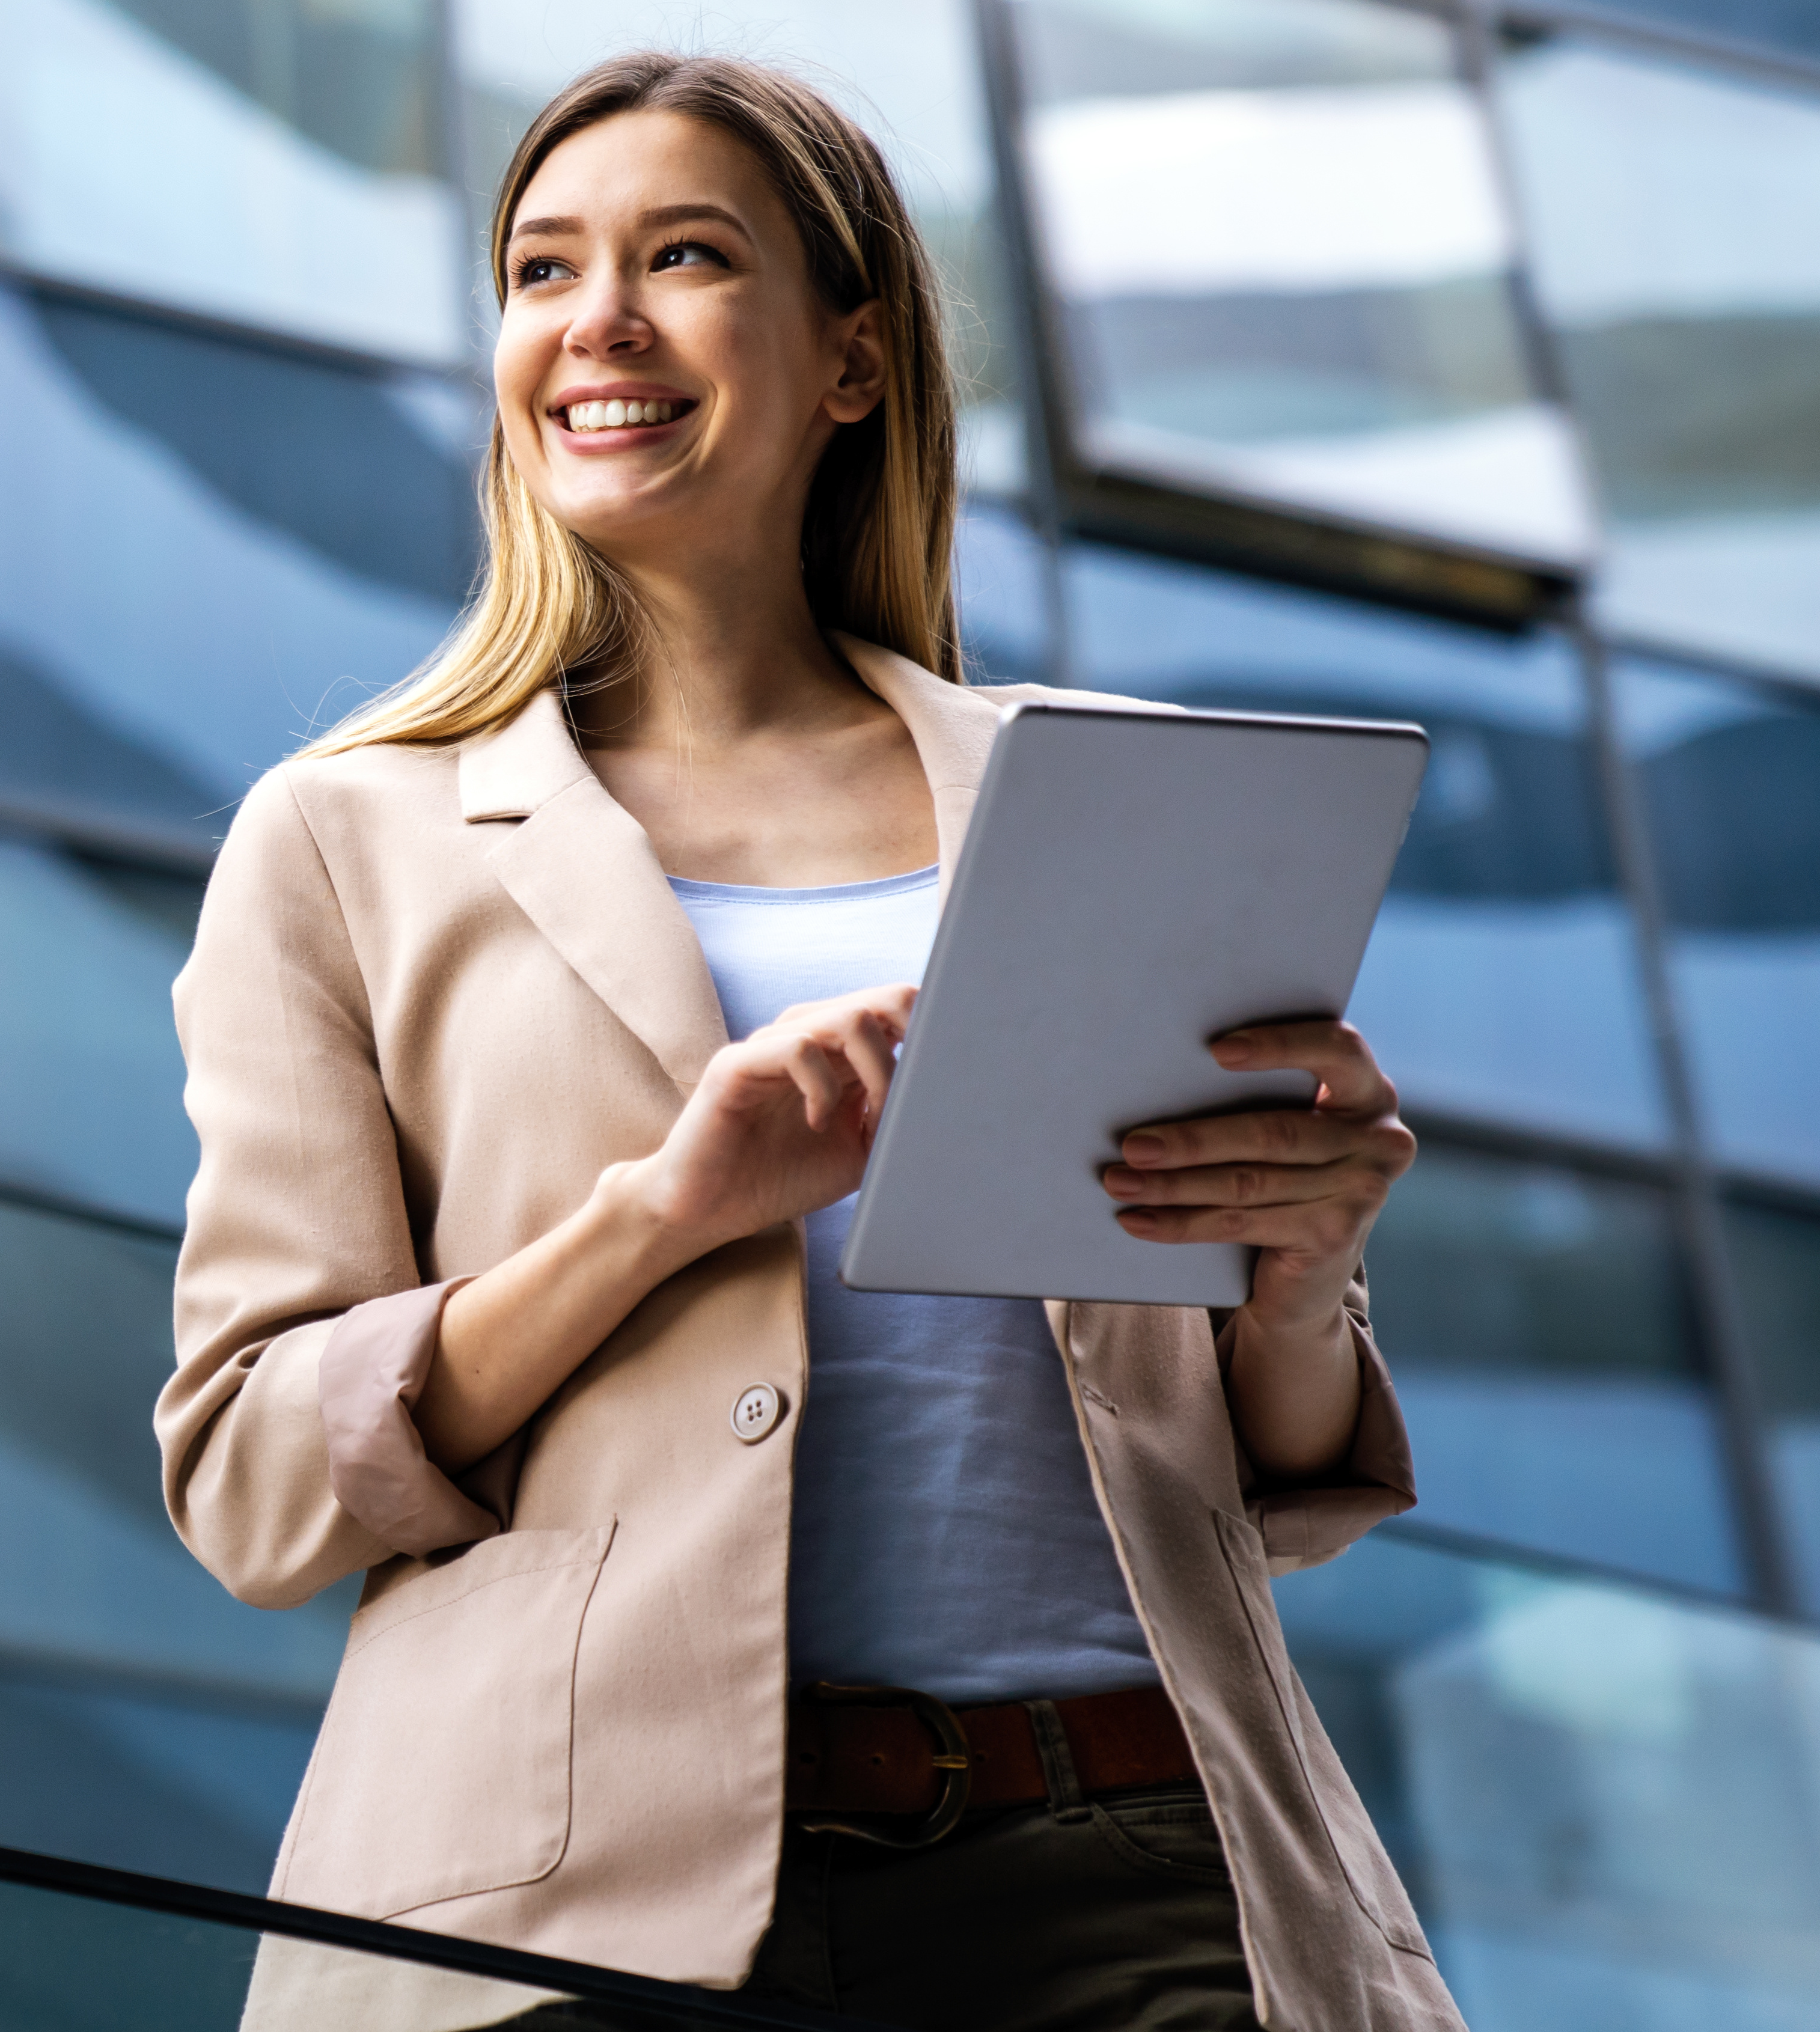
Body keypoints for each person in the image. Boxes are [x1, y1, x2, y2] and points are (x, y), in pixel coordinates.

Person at [154, 49, 1461, 2032]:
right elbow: (255, 1473)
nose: (597, 322)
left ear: (852, 362)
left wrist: (1303, 1264)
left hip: (1137, 1872)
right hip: (561, 1923)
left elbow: (1261, 1480)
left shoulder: (1100, 795)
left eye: (684, 257)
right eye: (540, 270)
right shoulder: (347, 839)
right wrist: (659, 1217)